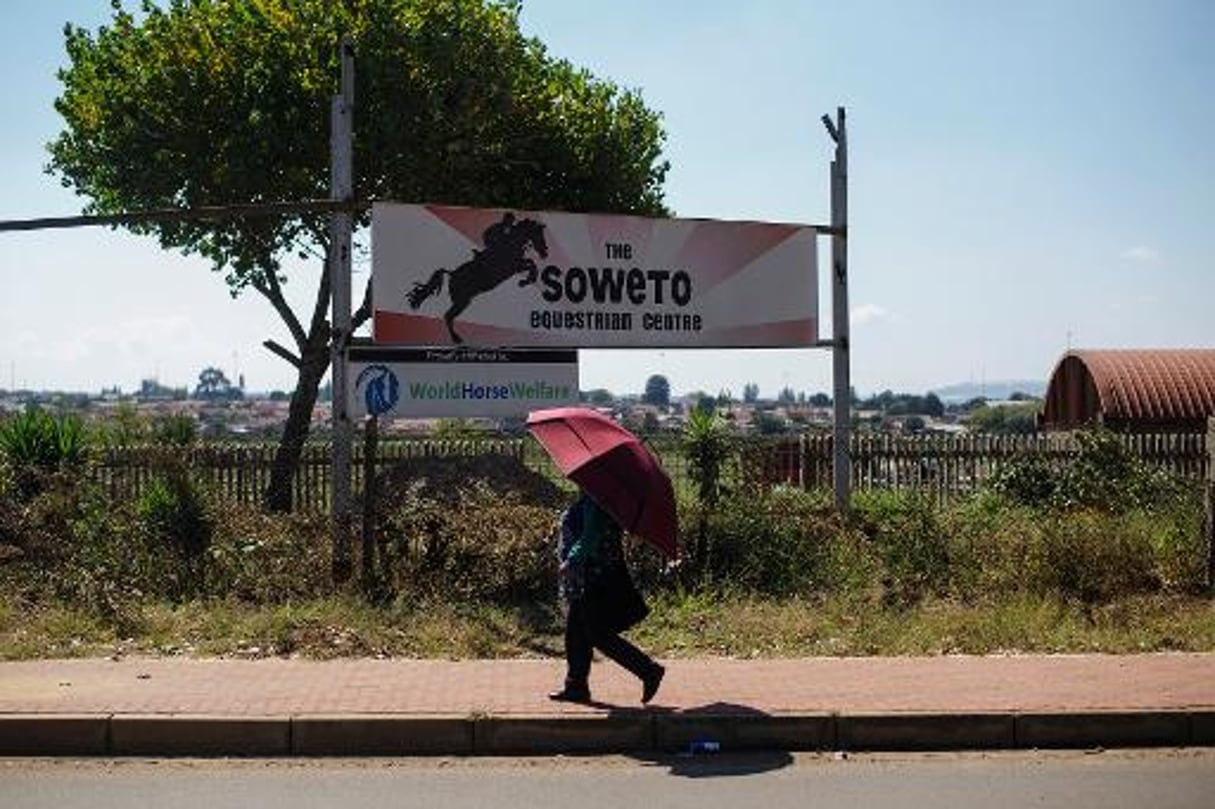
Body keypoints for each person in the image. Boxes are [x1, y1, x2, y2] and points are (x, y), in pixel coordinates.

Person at [549, 491, 665, 705]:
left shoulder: (598, 500)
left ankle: (648, 670)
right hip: (589, 575)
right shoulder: (591, 498)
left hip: (594, 576)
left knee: (598, 634)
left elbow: (590, 537)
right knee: (576, 632)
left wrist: (571, 561)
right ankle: (576, 686)